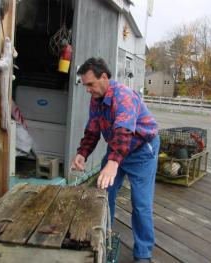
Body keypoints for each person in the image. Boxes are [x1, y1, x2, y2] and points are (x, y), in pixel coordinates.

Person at [71, 57, 159, 262]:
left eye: (90, 84)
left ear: (104, 77)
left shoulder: (124, 96)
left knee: (141, 202)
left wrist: (112, 164)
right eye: (85, 85)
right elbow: (92, 130)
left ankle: (143, 253)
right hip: (117, 151)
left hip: (141, 151)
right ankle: (105, 239)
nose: (88, 89)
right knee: (103, 193)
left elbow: (123, 132)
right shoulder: (95, 100)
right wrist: (81, 154)